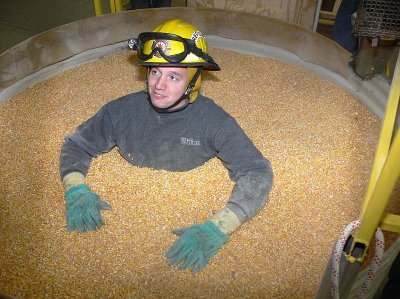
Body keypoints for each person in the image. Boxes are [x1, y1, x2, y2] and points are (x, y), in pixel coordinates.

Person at [60, 19, 274, 273]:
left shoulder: (214, 122)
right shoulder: (121, 112)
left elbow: (257, 171)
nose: (159, 85)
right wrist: (75, 188)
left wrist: (221, 225)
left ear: (194, 81)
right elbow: (76, 145)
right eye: (154, 72)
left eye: (173, 76)